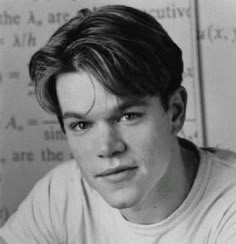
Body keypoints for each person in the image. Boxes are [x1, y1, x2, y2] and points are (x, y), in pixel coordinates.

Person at [0, 4, 236, 244]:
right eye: (81, 125)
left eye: (128, 116)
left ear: (175, 112)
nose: (107, 148)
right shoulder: (61, 194)